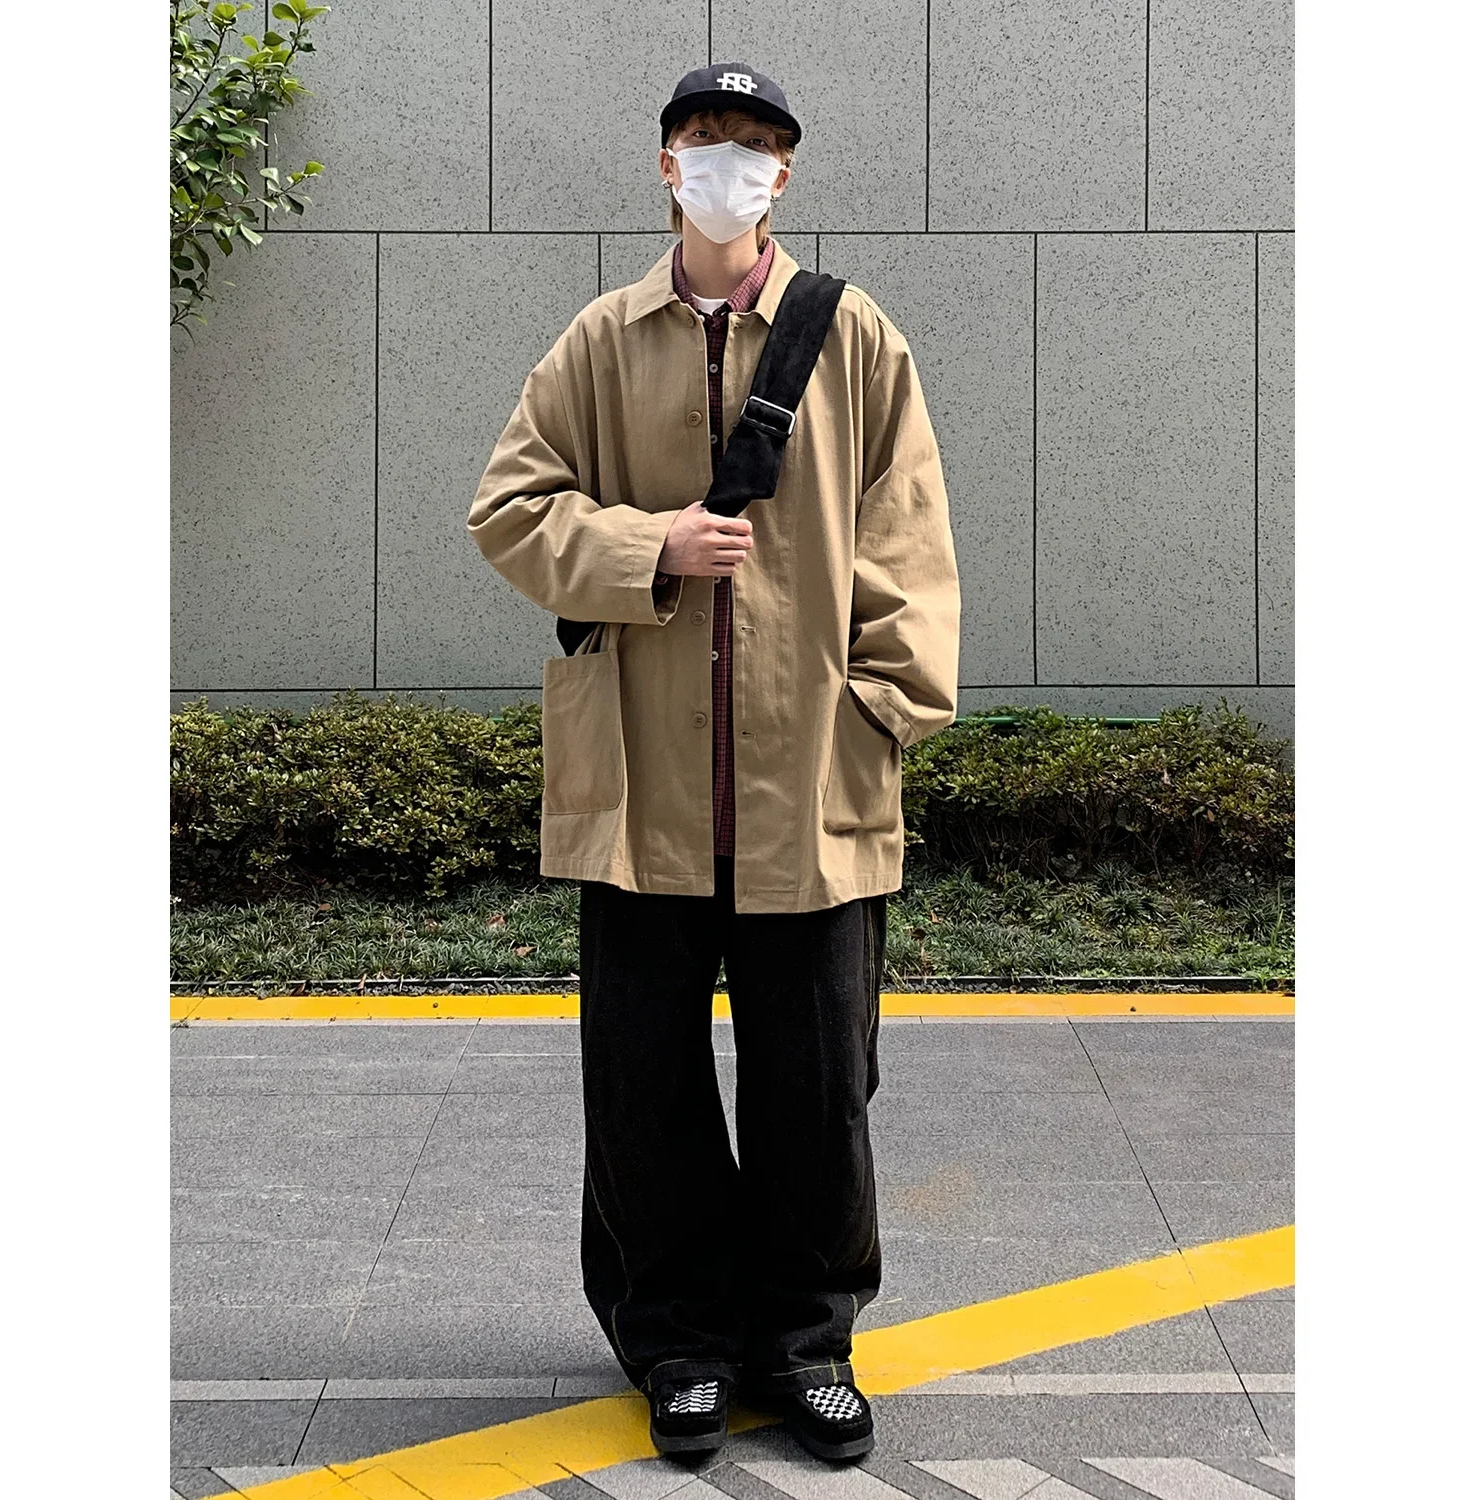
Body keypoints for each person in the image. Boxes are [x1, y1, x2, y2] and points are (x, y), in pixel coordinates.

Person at [467, 62, 961, 1463]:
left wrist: (883, 708)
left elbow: (909, 530)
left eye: (754, 146)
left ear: (783, 176)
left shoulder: (852, 336)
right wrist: (652, 546)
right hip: (643, 789)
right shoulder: (600, 340)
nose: (728, 165)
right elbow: (510, 507)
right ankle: (678, 1342)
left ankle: (805, 1341)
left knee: (819, 1088)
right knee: (646, 1088)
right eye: (705, 140)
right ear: (667, 164)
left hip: (812, 783)